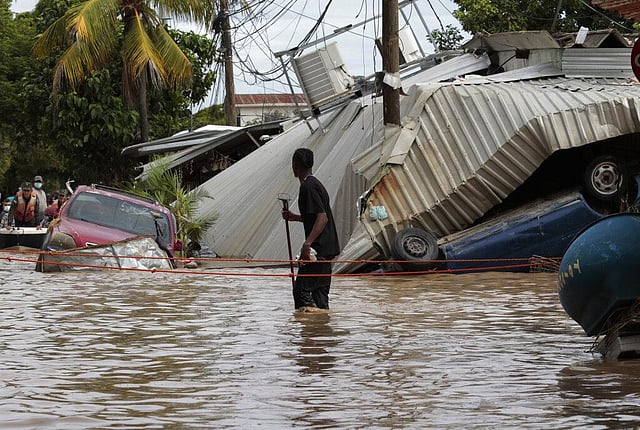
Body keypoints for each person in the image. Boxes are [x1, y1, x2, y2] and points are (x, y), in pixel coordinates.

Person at [282, 148, 340, 311]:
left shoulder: (308, 187)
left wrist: (307, 244)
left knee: (301, 291)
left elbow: (322, 218)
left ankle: (311, 328)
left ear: (295, 166)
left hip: (318, 251)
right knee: (320, 296)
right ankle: (320, 331)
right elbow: (315, 217)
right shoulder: (316, 184)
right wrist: (295, 217)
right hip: (326, 250)